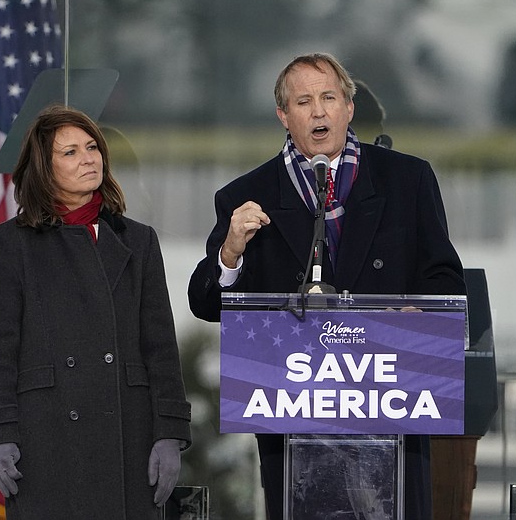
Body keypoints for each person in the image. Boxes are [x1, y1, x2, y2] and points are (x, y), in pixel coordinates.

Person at [187, 53, 465, 519]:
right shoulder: (244, 196)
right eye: (303, 101)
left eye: (329, 98)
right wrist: (230, 252)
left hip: (388, 398)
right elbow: (205, 302)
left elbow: (445, 279)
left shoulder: (407, 180)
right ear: (284, 115)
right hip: (295, 410)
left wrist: (422, 315)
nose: (318, 111)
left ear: (348, 108)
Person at [0, 105, 192, 519]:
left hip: (129, 436)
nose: (89, 158)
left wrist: (170, 431)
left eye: (92, 147)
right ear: (44, 167)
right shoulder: (8, 245)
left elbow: (161, 346)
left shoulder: (139, 241)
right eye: (70, 152)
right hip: (46, 439)